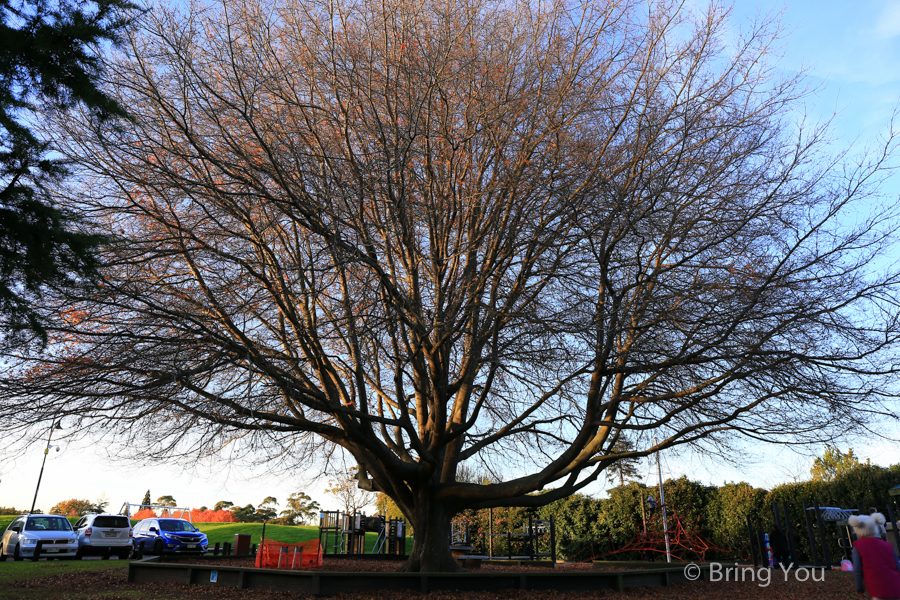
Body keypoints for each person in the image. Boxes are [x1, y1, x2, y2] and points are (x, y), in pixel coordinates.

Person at [849, 512, 900, 599]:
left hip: (877, 587)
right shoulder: (887, 545)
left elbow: (857, 569)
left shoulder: (858, 547)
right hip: (896, 585)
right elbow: (897, 565)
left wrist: (859, 588)